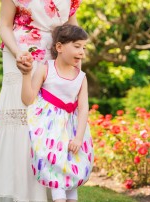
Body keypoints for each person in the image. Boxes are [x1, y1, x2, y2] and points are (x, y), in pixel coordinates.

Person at [0, 0, 83, 201]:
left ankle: (50, 188)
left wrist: (77, 63)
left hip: (57, 54)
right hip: (21, 53)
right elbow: (5, 24)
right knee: (23, 119)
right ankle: (18, 193)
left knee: (52, 122)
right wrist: (18, 53)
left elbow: (74, 30)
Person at [19, 24, 94, 202]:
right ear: (59, 47)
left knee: (72, 168)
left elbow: (83, 109)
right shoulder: (46, 69)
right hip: (49, 129)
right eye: (77, 46)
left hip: (73, 130)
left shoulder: (81, 77)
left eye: (84, 47)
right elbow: (28, 99)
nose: (82, 52)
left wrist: (78, 138)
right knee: (55, 169)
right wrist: (26, 75)